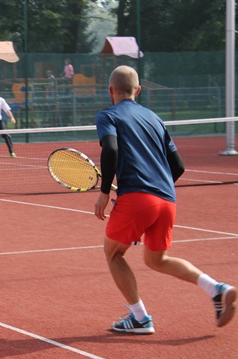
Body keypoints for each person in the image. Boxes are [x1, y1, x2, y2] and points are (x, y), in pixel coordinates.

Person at [94, 65, 236, 334]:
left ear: (110, 91)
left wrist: (105, 193)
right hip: (167, 199)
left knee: (113, 253)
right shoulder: (155, 119)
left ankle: (140, 318)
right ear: (138, 90)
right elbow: (178, 166)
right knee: (157, 260)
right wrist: (149, 192)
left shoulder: (108, 115)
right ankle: (216, 289)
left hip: (138, 198)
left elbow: (110, 149)